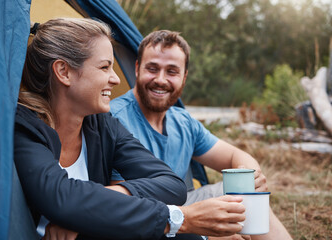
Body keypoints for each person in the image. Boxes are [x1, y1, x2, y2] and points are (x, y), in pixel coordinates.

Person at [14, 18, 247, 240]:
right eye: (105, 67)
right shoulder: (25, 127)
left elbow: (172, 184)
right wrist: (178, 218)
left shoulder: (101, 124)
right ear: (64, 71)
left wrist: (86, 211)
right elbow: (61, 198)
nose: (115, 79)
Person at [110, 30, 292, 240]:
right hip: (146, 218)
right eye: (152, 69)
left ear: (184, 77)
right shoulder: (116, 118)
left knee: (247, 199)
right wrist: (208, 234)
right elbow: (125, 206)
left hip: (184, 204)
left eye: (172, 71)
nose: (160, 80)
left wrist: (251, 178)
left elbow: (234, 156)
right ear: (136, 69)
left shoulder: (183, 121)